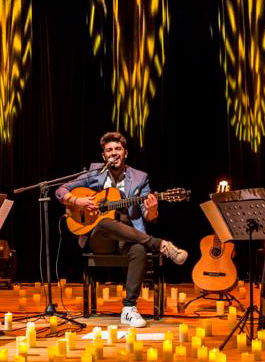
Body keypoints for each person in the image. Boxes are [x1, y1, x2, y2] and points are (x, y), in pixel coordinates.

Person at [56, 131, 188, 329]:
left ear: (125, 153)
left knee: (139, 250)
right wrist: (78, 201)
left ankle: (129, 308)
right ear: (103, 156)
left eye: (118, 149)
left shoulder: (140, 178)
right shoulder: (94, 172)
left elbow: (148, 216)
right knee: (103, 223)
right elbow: (61, 190)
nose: (113, 153)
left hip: (128, 235)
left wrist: (153, 209)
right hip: (99, 238)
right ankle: (160, 244)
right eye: (109, 150)